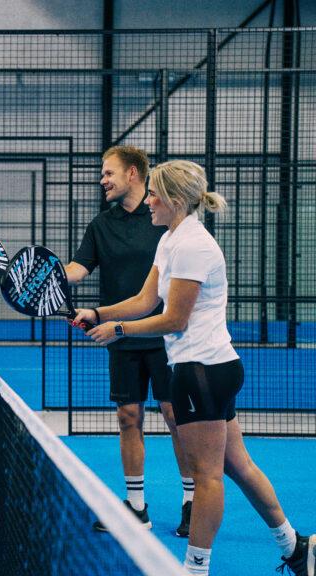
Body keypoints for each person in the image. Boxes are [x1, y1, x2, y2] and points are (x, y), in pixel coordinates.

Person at [73, 160, 315, 576]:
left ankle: (195, 569)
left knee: (207, 477)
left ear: (174, 200)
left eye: (154, 195)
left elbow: (174, 319)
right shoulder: (170, 239)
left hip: (203, 372)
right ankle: (295, 548)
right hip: (207, 368)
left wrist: (118, 329)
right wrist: (98, 313)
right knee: (237, 466)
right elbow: (146, 300)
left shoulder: (193, 246)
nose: (148, 201)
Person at [65, 145, 193, 536]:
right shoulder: (101, 225)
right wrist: (44, 275)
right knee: (128, 418)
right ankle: (136, 507)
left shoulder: (163, 217)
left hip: (166, 336)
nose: (102, 180)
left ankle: (192, 502)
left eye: (109, 173)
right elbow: (78, 269)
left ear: (132, 173)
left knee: (176, 418)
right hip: (121, 337)